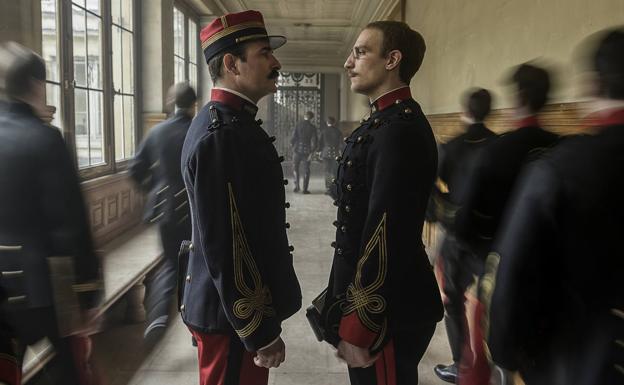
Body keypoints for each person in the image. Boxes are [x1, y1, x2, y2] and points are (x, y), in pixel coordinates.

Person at [486, 27, 624, 385]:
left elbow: (514, 268)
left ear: (593, 86)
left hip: (576, 353)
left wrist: (503, 350)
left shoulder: (562, 166)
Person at [179, 10, 302, 385]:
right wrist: (258, 331)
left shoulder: (231, 123)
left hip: (227, 313)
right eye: (264, 52)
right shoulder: (223, 135)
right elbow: (227, 245)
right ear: (232, 64)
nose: (276, 62)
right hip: (229, 318)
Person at [320, 21, 443, 385]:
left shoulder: (399, 130)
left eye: (360, 52)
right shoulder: (385, 121)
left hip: (388, 311)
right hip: (378, 303)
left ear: (392, 59)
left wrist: (361, 324)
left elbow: (385, 234)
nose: (348, 62)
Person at [0, 42, 102, 384]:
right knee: (68, 373)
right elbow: (69, 226)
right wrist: (87, 294)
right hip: (42, 290)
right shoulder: (46, 139)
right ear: (37, 84)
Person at [452, 64, 560, 385]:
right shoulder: (562, 147)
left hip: (495, 261)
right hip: (552, 273)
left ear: (519, 97)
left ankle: (474, 367)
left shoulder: (497, 151)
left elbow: (466, 220)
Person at [432, 88, 497, 384]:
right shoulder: (500, 147)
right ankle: (495, 362)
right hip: (493, 239)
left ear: (464, 111)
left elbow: (429, 190)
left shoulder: (453, 146)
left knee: (453, 299)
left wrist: (443, 214)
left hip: (458, 237)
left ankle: (461, 363)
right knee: (492, 303)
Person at [129, 82, 196, 343]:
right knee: (196, 266)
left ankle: (158, 316)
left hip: (166, 210)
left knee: (170, 263)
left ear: (171, 103)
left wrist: (155, 189)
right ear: (194, 104)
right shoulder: (199, 129)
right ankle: (195, 326)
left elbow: (135, 170)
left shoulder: (156, 132)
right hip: (194, 209)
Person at [290, 110, 318, 194]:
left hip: (297, 150)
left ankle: (296, 187)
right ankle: (305, 189)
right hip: (307, 151)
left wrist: (293, 147)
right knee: (306, 170)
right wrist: (311, 152)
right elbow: (314, 141)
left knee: (295, 168)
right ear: (311, 118)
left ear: (304, 116)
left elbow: (293, 138)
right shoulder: (312, 127)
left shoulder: (298, 125)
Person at [318, 116, 343, 198]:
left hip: (325, 153)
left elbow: (320, 143)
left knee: (327, 171)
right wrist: (340, 152)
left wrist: (319, 152)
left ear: (327, 123)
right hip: (335, 154)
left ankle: (328, 189)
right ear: (334, 123)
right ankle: (334, 188)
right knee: (334, 171)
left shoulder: (324, 131)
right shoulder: (338, 131)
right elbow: (341, 144)